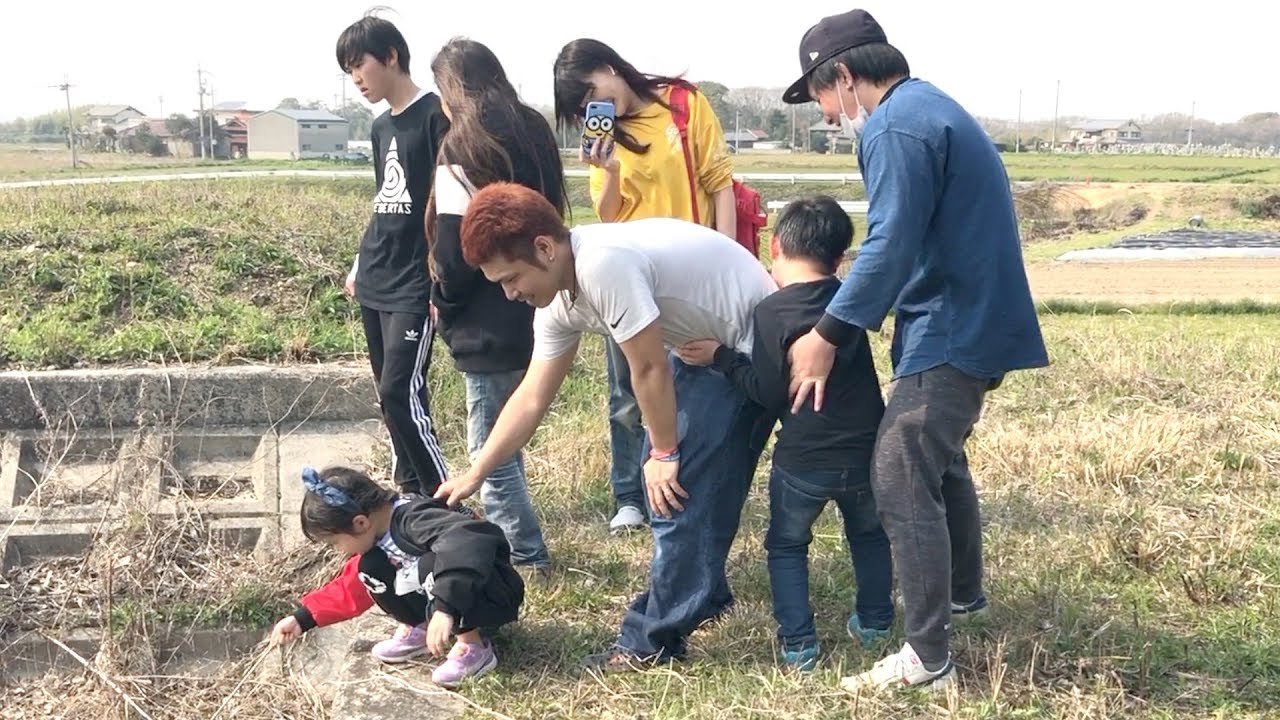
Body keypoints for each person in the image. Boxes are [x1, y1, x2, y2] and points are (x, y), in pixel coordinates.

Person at [781, 9, 1050, 693]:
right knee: (941, 459)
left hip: (953, 323)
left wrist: (827, 334)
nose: (827, 115)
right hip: (972, 316)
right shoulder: (928, 107)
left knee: (900, 469)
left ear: (844, 76)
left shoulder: (895, 126)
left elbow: (890, 243)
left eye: (820, 96)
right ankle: (962, 595)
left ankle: (927, 657)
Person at [432, 182, 776, 670]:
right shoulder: (557, 298)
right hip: (700, 347)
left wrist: (665, 453)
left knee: (677, 489)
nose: (510, 294)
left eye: (511, 278)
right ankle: (704, 592)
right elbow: (531, 397)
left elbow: (649, 369)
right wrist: (476, 472)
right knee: (666, 483)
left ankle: (650, 641)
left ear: (545, 248)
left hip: (748, 348)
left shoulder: (602, 264)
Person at [674, 196, 893, 672]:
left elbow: (768, 393)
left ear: (774, 246)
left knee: (788, 546)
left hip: (803, 461)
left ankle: (799, 644)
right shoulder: (847, 304)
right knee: (870, 536)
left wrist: (721, 357)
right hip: (865, 453)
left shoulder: (772, 311)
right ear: (839, 258)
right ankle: (876, 623)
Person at [553, 38, 738, 535]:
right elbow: (609, 215)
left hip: (690, 273)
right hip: (630, 278)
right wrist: (609, 171)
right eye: (583, 106)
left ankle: (687, 487)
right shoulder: (607, 137)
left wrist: (726, 257)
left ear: (609, 66)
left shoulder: (683, 104)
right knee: (629, 394)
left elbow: (719, 184)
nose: (596, 107)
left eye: (593, 92)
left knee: (697, 386)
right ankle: (630, 496)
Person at [426, 37, 567, 575]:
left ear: (452, 90)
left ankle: (525, 555)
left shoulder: (462, 145)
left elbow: (454, 250)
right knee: (510, 428)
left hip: (484, 320)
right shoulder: (534, 130)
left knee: (490, 448)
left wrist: (442, 301)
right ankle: (522, 547)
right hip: (538, 298)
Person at [269, 466, 524, 688]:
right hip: (449, 598)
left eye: (335, 542)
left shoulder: (415, 519)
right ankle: (420, 627)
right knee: (371, 568)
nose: (339, 550)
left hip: (490, 593)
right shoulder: (379, 537)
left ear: (360, 523)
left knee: (430, 564)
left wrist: (445, 608)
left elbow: (466, 544)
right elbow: (353, 587)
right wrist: (303, 618)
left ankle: (473, 646)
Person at [336, 14, 450, 497]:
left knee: (400, 394)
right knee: (390, 399)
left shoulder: (437, 116)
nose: (356, 79)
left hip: (414, 282)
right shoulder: (381, 127)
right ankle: (409, 496)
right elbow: (385, 200)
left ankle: (445, 499)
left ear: (390, 56)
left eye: (359, 66)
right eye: (348, 71)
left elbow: (449, 208)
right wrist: (359, 263)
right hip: (376, 276)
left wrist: (442, 281)